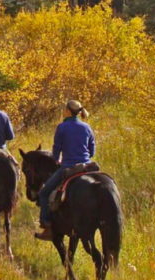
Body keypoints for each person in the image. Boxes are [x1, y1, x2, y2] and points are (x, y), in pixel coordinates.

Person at [34, 99, 94, 241]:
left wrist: (57, 160)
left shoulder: (62, 127)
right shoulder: (87, 127)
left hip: (68, 166)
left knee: (43, 193)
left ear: (67, 111)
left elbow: (56, 151)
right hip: (87, 167)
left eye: (64, 109)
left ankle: (47, 226)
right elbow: (92, 151)